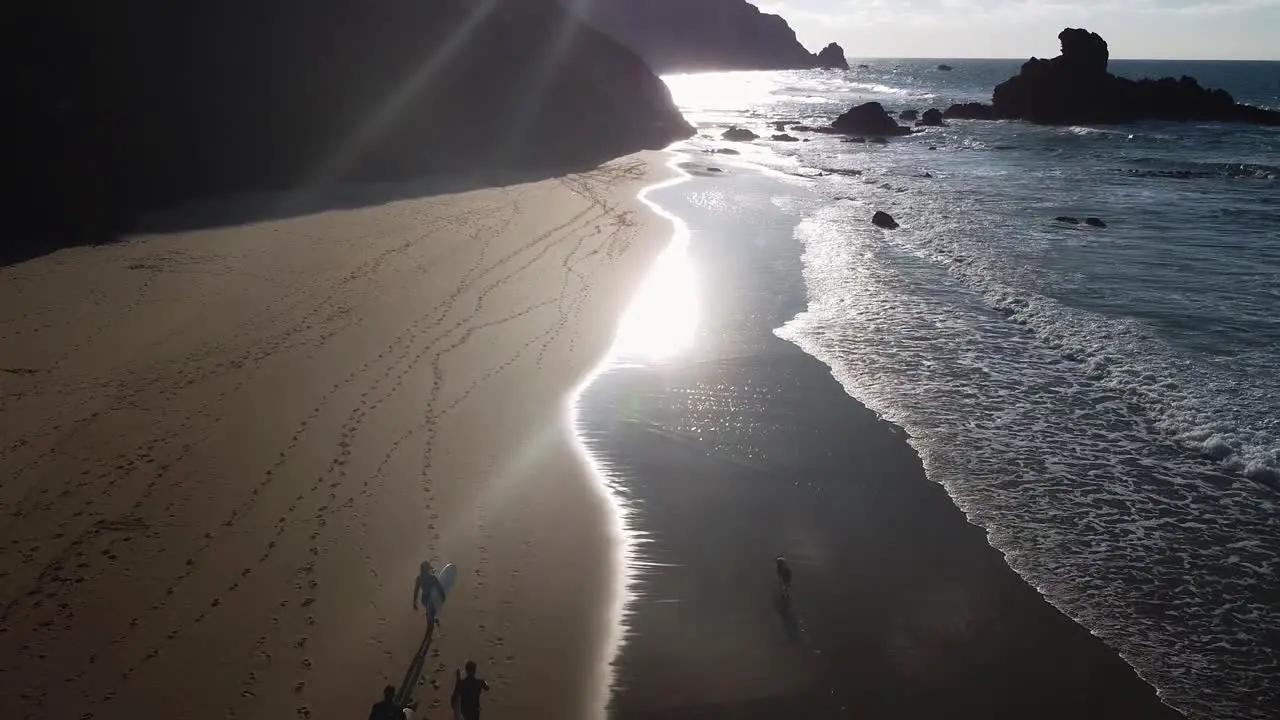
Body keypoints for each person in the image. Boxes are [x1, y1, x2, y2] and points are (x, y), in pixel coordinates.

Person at [412, 560, 447, 628]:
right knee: (431, 611)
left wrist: (414, 602)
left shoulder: (419, 579)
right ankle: (432, 618)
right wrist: (443, 596)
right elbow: (439, 588)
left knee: (429, 610)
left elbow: (416, 590)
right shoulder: (432, 578)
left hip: (424, 598)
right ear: (428, 570)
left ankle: (431, 617)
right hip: (432, 598)